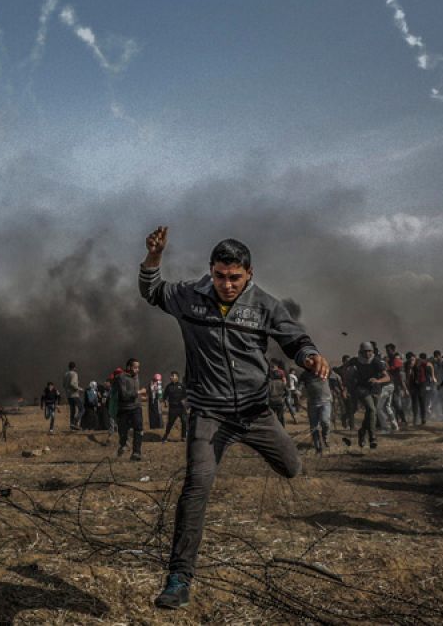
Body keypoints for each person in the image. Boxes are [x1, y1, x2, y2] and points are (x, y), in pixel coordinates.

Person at [137, 227, 328, 610]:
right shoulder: (190, 297)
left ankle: (261, 445)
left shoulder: (266, 306)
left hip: (256, 413)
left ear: (249, 274)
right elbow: (152, 290)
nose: (226, 284)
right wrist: (154, 256)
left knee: (291, 467)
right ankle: (178, 578)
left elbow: (295, 339)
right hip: (209, 413)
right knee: (197, 486)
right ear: (211, 270)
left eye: (235, 277)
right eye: (220, 276)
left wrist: (309, 357)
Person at [349, 343, 389, 449]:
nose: (367, 353)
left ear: (372, 351)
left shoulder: (376, 361)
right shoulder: (355, 361)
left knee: (370, 413)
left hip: (375, 389)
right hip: (362, 388)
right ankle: (372, 437)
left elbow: (387, 377)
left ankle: (362, 432)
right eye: (365, 351)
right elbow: (345, 369)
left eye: (369, 351)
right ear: (361, 352)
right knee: (371, 410)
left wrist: (378, 380)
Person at [299, 357, 333, 453]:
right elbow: (300, 385)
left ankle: (326, 437)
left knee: (325, 421)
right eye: (306, 360)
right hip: (312, 402)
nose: (308, 361)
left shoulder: (324, 369)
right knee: (314, 426)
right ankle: (318, 447)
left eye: (310, 358)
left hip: (325, 401)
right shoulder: (304, 375)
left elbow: (334, 375)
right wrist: (298, 392)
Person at [113, 358, 144, 460]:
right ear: (128, 367)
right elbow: (124, 395)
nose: (137, 370)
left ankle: (136, 453)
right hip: (124, 409)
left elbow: (133, 393)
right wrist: (138, 393)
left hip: (136, 408)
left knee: (138, 429)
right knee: (123, 432)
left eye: (138, 367)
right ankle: (123, 445)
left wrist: (140, 397)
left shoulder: (136, 376)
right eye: (135, 367)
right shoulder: (121, 378)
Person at [163, 372, 188, 441]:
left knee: (184, 421)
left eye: (172, 376)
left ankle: (183, 437)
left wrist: (184, 400)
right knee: (170, 423)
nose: (170, 377)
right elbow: (165, 396)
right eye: (170, 376)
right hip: (172, 408)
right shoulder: (168, 386)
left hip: (181, 408)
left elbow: (185, 396)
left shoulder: (182, 386)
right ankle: (165, 436)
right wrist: (165, 402)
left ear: (177, 377)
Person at [267, 360, 290, 426]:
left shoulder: (269, 383)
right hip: (280, 401)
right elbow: (287, 392)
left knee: (272, 418)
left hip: (271, 402)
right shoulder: (282, 383)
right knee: (280, 417)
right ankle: (282, 429)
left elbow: (266, 393)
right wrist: (284, 397)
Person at [63, 362, 84, 431]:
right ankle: (75, 422)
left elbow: (64, 385)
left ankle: (72, 426)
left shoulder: (65, 374)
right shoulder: (74, 374)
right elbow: (72, 384)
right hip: (74, 395)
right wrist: (79, 388)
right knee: (82, 409)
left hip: (68, 395)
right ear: (74, 367)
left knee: (72, 411)